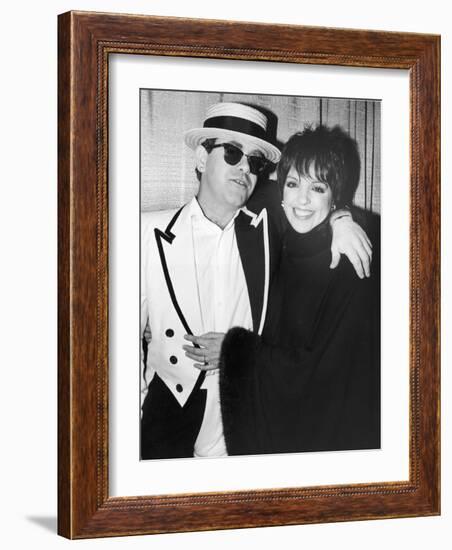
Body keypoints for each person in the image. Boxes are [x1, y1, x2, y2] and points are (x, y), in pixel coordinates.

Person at [141, 103, 372, 459]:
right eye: (232, 153)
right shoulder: (146, 232)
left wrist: (343, 217)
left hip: (244, 412)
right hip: (168, 412)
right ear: (202, 158)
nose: (244, 168)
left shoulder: (266, 226)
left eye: (255, 162)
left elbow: (313, 194)